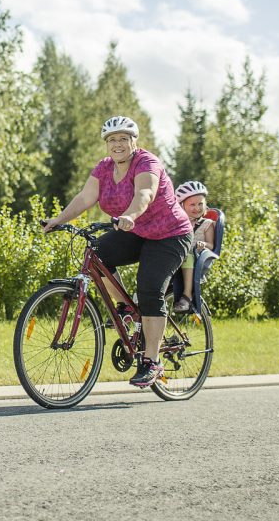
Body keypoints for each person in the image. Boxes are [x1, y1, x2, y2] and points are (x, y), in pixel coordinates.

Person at [42, 116, 193, 388]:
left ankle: (152, 361)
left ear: (134, 141)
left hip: (170, 234)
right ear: (106, 144)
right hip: (136, 231)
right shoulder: (103, 168)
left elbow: (145, 193)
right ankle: (125, 307)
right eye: (112, 139)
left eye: (124, 138)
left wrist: (131, 215)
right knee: (97, 253)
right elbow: (84, 198)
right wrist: (58, 220)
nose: (118, 144)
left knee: (149, 287)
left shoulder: (147, 162)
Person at [172, 180, 216, 314]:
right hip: (181, 254)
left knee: (188, 256)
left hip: (197, 256)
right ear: (182, 206)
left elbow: (211, 245)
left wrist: (203, 245)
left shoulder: (207, 224)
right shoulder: (179, 223)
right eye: (192, 204)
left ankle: (187, 295)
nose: (197, 208)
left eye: (200, 204)